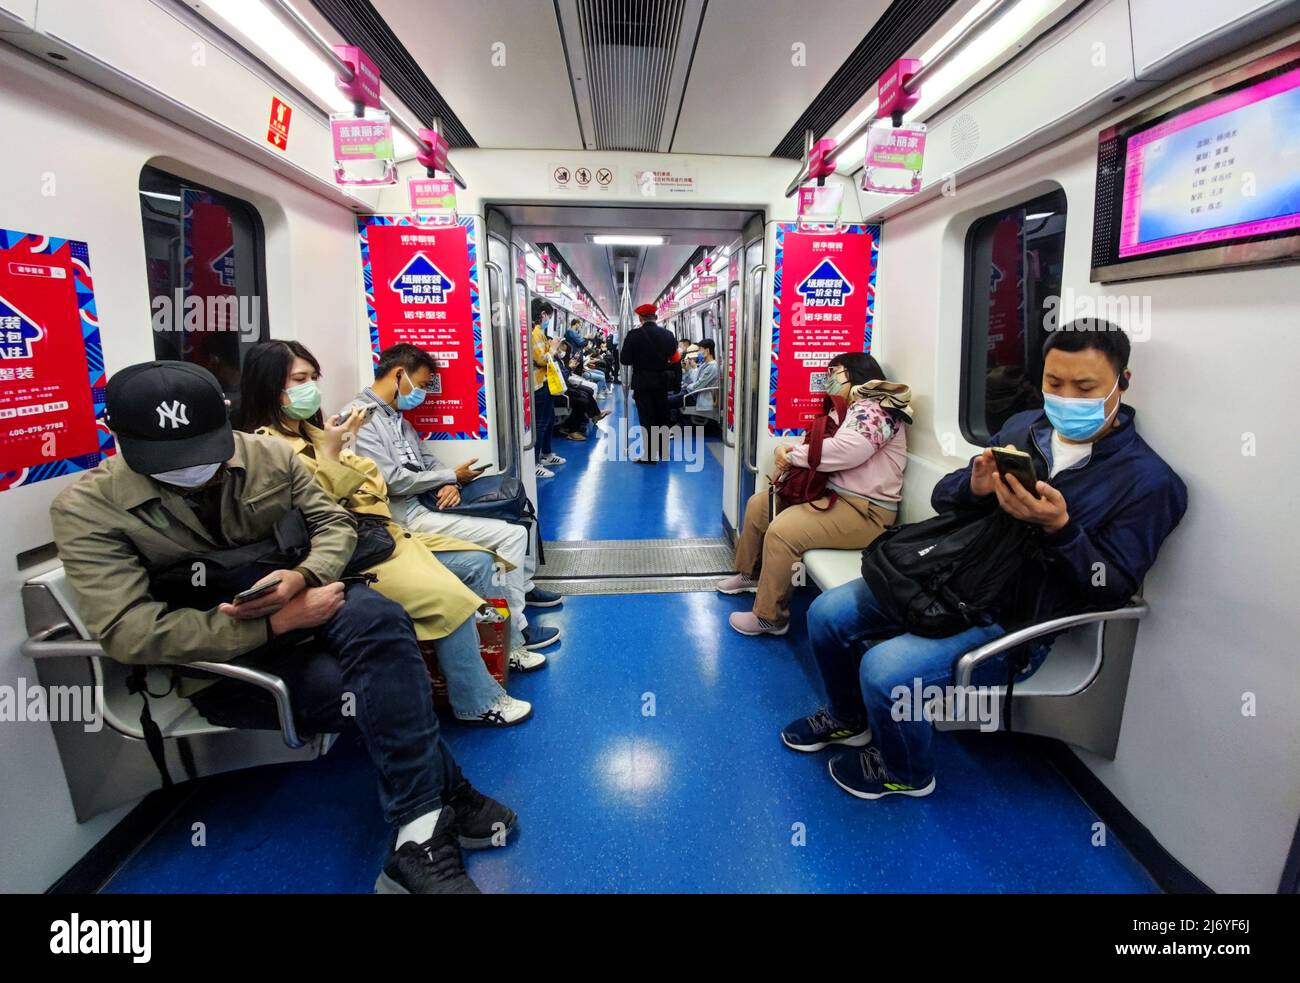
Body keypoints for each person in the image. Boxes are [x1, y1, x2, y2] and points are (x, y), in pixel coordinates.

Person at [49, 360, 516, 893]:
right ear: (119, 439)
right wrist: (271, 628)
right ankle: (443, 806)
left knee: (385, 619)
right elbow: (128, 631)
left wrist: (304, 576)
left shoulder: (266, 455)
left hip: (307, 596)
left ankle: (418, 832)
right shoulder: (88, 509)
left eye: (205, 450)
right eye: (170, 461)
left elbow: (334, 523)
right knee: (370, 692)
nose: (192, 469)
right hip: (223, 654)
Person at [781, 322, 1188, 801]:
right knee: (827, 615)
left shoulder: (1149, 483)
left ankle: (905, 771)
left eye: (1085, 387)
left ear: (1122, 382)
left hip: (1018, 619)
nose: (1066, 398)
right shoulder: (1023, 429)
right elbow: (944, 495)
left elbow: (1110, 587)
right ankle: (849, 721)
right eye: (1054, 383)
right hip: (955, 577)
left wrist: (1061, 530)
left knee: (884, 669)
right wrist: (972, 487)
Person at [238, 340, 532, 726]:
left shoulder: (322, 433)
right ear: (269, 385)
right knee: (450, 597)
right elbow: (324, 508)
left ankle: (498, 653)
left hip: (381, 531)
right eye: (299, 379)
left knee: (477, 561)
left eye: (313, 377)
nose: (311, 387)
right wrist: (333, 461)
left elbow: (371, 481)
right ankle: (476, 699)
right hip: (350, 550)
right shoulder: (266, 448)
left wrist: (447, 481)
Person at [345, 343, 561, 671]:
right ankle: (517, 630)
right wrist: (449, 476)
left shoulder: (397, 418)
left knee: (519, 514)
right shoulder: (361, 419)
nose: (420, 393)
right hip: (403, 516)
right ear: (398, 374)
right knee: (512, 536)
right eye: (418, 385)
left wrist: (448, 481)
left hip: (426, 500)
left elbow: (423, 458)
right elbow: (392, 480)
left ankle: (524, 589)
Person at [718, 353, 910, 636]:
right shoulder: (845, 411)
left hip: (866, 511)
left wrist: (793, 456)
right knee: (762, 504)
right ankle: (750, 574)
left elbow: (846, 451)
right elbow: (822, 446)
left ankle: (771, 617)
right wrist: (787, 451)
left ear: (853, 372)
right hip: (837, 496)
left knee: (783, 531)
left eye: (834, 371)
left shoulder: (877, 407)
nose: (828, 378)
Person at [620, 303, 678, 463]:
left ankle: (650, 455)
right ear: (656, 317)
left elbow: (624, 359)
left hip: (642, 382)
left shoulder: (633, 335)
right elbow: (674, 356)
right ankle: (663, 451)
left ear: (640, 318)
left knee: (647, 418)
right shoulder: (668, 334)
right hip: (662, 381)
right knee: (662, 416)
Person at [530, 300, 565, 477]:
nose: (547, 321)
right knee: (541, 423)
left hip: (545, 382)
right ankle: (535, 463)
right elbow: (542, 359)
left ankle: (547, 453)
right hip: (538, 383)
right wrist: (552, 349)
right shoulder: (535, 333)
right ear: (542, 314)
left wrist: (553, 349)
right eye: (548, 317)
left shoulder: (541, 334)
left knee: (549, 419)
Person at [668, 339, 720, 421]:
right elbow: (695, 379)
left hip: (697, 396)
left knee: (667, 401)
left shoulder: (712, 367)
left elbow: (698, 385)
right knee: (669, 397)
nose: (699, 352)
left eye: (700, 349)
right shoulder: (704, 365)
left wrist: (688, 386)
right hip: (692, 393)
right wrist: (688, 369)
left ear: (707, 350)